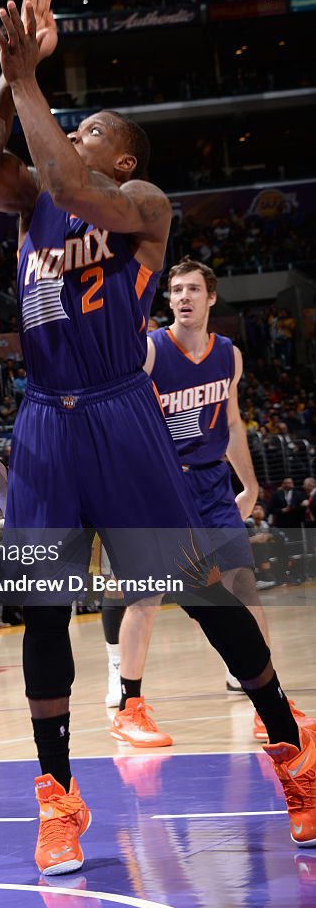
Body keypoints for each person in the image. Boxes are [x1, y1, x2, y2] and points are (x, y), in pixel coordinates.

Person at [0, 0, 316, 875]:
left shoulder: (142, 207)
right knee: (41, 613)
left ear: (123, 160)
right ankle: (56, 799)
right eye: (67, 125)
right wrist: (11, 75)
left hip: (121, 412)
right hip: (43, 420)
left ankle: (292, 752)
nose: (71, 137)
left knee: (195, 589)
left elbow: (73, 182)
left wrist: (36, 87)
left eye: (91, 132)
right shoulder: (32, 201)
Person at [103, 257, 316, 745]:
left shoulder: (229, 355)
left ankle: (269, 704)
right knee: (147, 596)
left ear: (211, 297)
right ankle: (130, 706)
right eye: (175, 290)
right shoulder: (151, 351)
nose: (182, 297)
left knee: (244, 589)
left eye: (192, 289)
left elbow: (234, 423)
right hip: (160, 486)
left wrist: (252, 485)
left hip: (212, 484)